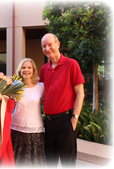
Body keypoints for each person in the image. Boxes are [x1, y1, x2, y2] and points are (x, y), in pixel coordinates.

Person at [39, 33, 85, 168]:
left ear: (58, 44)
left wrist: (74, 118)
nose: (47, 49)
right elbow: (39, 93)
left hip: (66, 121)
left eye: (49, 45)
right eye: (44, 46)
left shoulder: (71, 64)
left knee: (68, 164)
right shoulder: (43, 69)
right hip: (49, 122)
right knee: (49, 163)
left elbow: (80, 93)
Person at [11, 58, 47, 169]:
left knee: (35, 164)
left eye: (29, 67)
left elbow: (48, 103)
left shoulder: (41, 86)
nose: (26, 70)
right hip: (17, 129)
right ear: (20, 70)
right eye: (23, 67)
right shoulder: (14, 86)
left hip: (35, 129)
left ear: (34, 70)